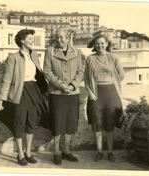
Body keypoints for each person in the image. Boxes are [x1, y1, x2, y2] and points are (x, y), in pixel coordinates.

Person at [0, 29, 48, 166]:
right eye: (30, 39)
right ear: (22, 41)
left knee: (31, 122)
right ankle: (20, 154)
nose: (32, 41)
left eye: (33, 39)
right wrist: (2, 98)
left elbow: (40, 74)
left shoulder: (34, 55)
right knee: (19, 122)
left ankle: (28, 152)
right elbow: (6, 79)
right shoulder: (13, 57)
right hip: (19, 92)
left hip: (34, 90)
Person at [43, 28, 84, 165]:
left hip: (72, 93)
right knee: (57, 122)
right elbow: (47, 72)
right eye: (57, 37)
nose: (59, 40)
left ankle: (66, 151)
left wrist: (73, 85)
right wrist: (61, 85)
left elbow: (80, 71)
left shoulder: (76, 52)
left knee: (70, 122)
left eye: (62, 37)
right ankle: (56, 152)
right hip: (57, 93)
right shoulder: (50, 51)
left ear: (68, 38)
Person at [84, 34, 124, 162]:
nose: (100, 45)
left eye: (102, 43)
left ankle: (110, 152)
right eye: (97, 43)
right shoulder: (90, 58)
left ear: (107, 44)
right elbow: (85, 78)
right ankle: (100, 152)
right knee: (98, 124)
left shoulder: (113, 58)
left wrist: (112, 82)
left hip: (111, 94)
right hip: (96, 95)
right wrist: (90, 92)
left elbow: (121, 75)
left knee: (110, 124)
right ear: (94, 45)